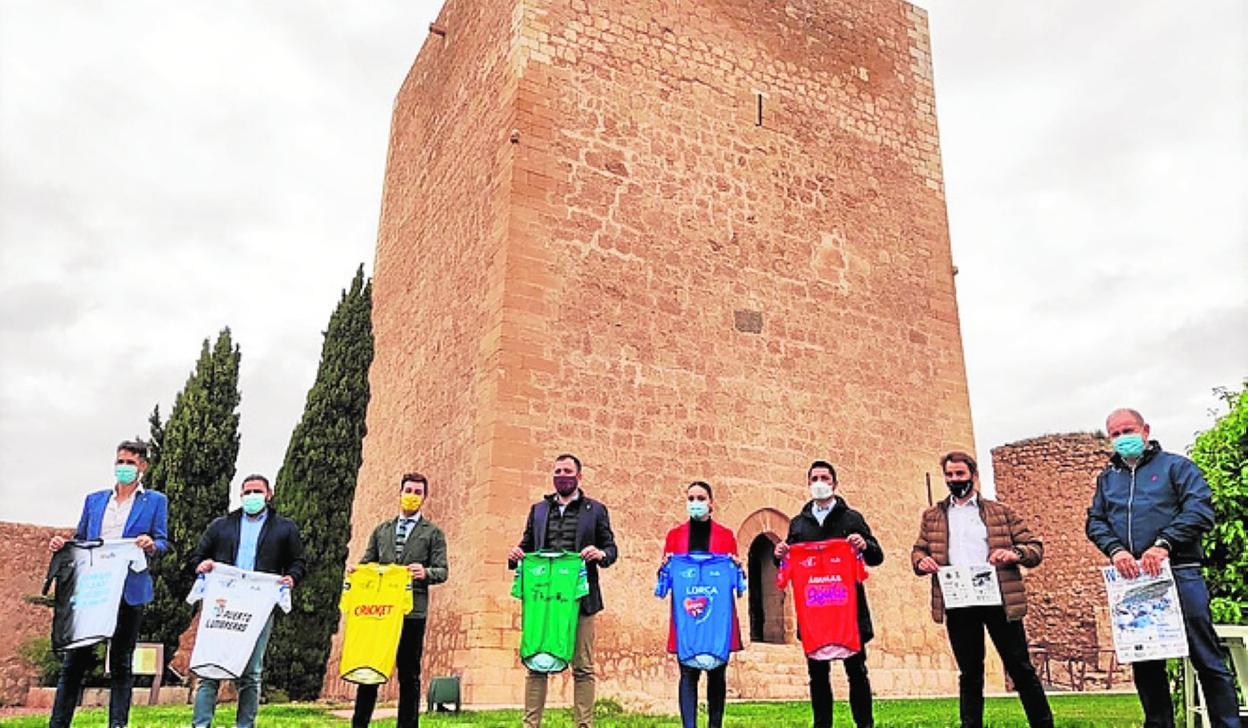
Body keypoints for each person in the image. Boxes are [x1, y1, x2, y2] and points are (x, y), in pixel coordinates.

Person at [1085, 408, 1241, 728]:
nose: (1122, 438)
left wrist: (1165, 543)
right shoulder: (1107, 479)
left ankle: (1227, 724)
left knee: (1206, 657)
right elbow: (1095, 521)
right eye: (1115, 434)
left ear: (1145, 431)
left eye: (1128, 431)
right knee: (1146, 662)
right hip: (1133, 580)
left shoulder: (1177, 467)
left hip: (1180, 572)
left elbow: (1199, 510)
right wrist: (1115, 550)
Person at [911, 451, 1053, 728]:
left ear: (973, 476)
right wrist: (921, 561)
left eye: (960, 474)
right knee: (970, 673)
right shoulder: (933, 516)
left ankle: (1043, 724)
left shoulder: (1000, 512)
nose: (955, 479)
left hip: (999, 598)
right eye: (950, 475)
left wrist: (1014, 554)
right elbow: (919, 550)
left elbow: (1034, 547)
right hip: (958, 600)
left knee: (1020, 668)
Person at [48, 439, 168, 728]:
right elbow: (80, 539)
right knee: (74, 660)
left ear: (143, 466)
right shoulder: (95, 500)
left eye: (130, 462)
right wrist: (62, 544)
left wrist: (151, 544)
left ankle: (117, 724)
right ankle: (58, 723)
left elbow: (163, 541)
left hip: (129, 589)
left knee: (121, 662)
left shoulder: (155, 501)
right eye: (120, 461)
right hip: (92, 590)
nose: (124, 467)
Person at [507, 453, 618, 728]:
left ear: (579, 476)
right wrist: (516, 554)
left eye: (567, 471)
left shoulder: (596, 510)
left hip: (582, 598)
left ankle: (584, 724)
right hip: (544, 599)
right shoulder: (538, 510)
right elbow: (527, 544)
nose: (562, 476)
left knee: (583, 665)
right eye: (557, 471)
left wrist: (600, 554)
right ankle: (530, 724)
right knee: (536, 661)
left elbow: (611, 548)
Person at [189, 474, 306, 728]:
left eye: (257, 491)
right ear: (241, 495)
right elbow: (197, 556)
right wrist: (202, 564)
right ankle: (200, 724)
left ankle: (244, 725)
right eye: (247, 492)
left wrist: (291, 578)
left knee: (252, 671)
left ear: (269, 494)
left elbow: (298, 561)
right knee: (209, 667)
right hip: (222, 604)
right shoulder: (221, 526)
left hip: (258, 606)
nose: (252, 496)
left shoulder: (284, 528)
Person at [773, 460, 882, 728]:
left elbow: (876, 555)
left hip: (848, 610)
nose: (819, 483)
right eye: (814, 479)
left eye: (825, 478)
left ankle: (865, 724)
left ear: (835, 483)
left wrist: (864, 544)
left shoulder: (851, 518)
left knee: (857, 671)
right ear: (808, 483)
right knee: (817, 675)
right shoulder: (799, 524)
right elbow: (787, 562)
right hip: (814, 612)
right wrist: (779, 555)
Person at [350, 472, 449, 728]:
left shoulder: (433, 533)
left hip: (412, 611)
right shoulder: (381, 530)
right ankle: (359, 723)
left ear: (424, 497)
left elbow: (442, 571)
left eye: (418, 492)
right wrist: (357, 572)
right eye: (409, 491)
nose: (412, 496)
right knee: (370, 671)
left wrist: (425, 572)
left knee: (409, 674)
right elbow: (367, 562)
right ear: (400, 493)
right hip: (380, 612)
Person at [661, 481, 742, 728]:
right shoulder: (674, 536)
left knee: (717, 674)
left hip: (718, 617)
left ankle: (715, 725)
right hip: (687, 616)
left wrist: (737, 568)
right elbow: (664, 581)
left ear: (711, 503)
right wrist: (663, 568)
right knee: (688, 673)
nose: (695, 503)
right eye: (691, 498)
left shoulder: (726, 536)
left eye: (701, 498)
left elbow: (737, 581)